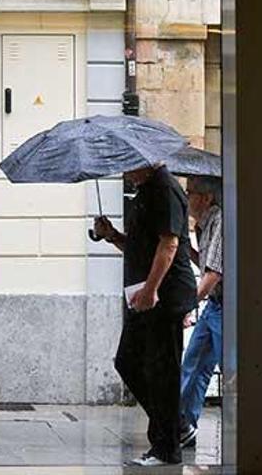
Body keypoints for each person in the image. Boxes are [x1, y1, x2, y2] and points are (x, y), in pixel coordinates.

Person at [93, 163, 197, 466]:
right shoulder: (145, 191)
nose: (124, 171)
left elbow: (169, 244)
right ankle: (176, 426)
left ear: (147, 161)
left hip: (163, 297)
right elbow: (141, 248)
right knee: (128, 361)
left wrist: (152, 290)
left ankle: (167, 449)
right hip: (142, 295)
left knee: (162, 371)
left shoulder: (165, 189)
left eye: (129, 165)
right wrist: (112, 235)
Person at [178, 175, 224, 448]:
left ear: (206, 198)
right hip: (214, 307)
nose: (186, 198)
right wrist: (189, 250)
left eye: (190, 193)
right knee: (193, 364)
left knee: (227, 369)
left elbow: (212, 276)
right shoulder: (202, 225)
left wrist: (186, 305)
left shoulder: (219, 221)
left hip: (225, 306)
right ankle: (183, 428)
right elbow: (206, 262)